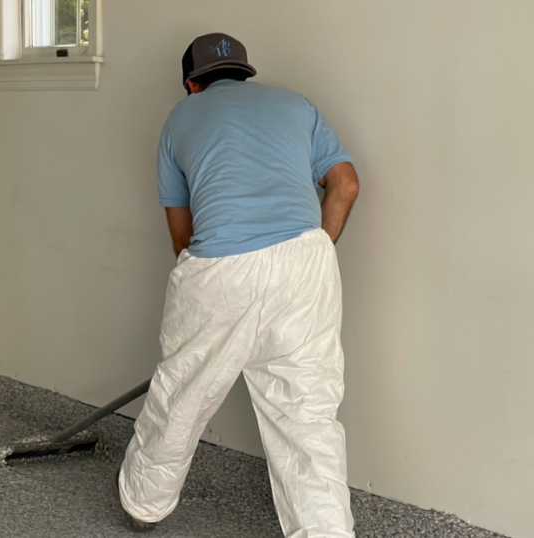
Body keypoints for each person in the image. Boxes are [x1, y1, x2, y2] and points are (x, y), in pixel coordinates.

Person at [117, 32, 360, 537]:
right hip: (305, 261)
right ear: (246, 73)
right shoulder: (296, 104)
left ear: (191, 84)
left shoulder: (179, 119)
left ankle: (144, 505)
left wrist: (210, 324)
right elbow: (346, 183)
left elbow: (181, 236)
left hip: (221, 267)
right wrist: (311, 254)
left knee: (182, 395)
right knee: (307, 413)